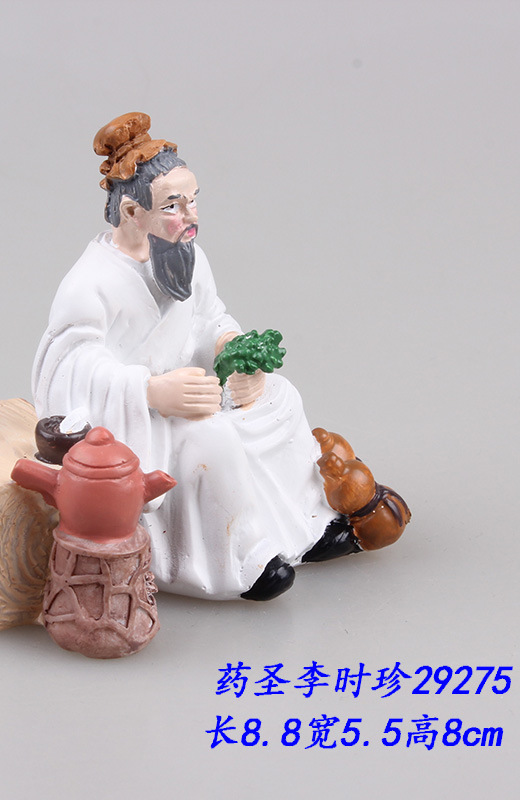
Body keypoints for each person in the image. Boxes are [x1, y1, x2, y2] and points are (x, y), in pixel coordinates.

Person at [32, 112, 362, 601]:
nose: (192, 216)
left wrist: (232, 352)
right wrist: (149, 392)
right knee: (213, 439)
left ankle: (307, 529)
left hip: (194, 391)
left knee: (280, 397)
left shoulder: (186, 255)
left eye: (194, 200)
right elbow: (68, 365)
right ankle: (246, 561)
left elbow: (209, 317)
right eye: (174, 205)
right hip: (137, 417)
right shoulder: (90, 281)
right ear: (131, 211)